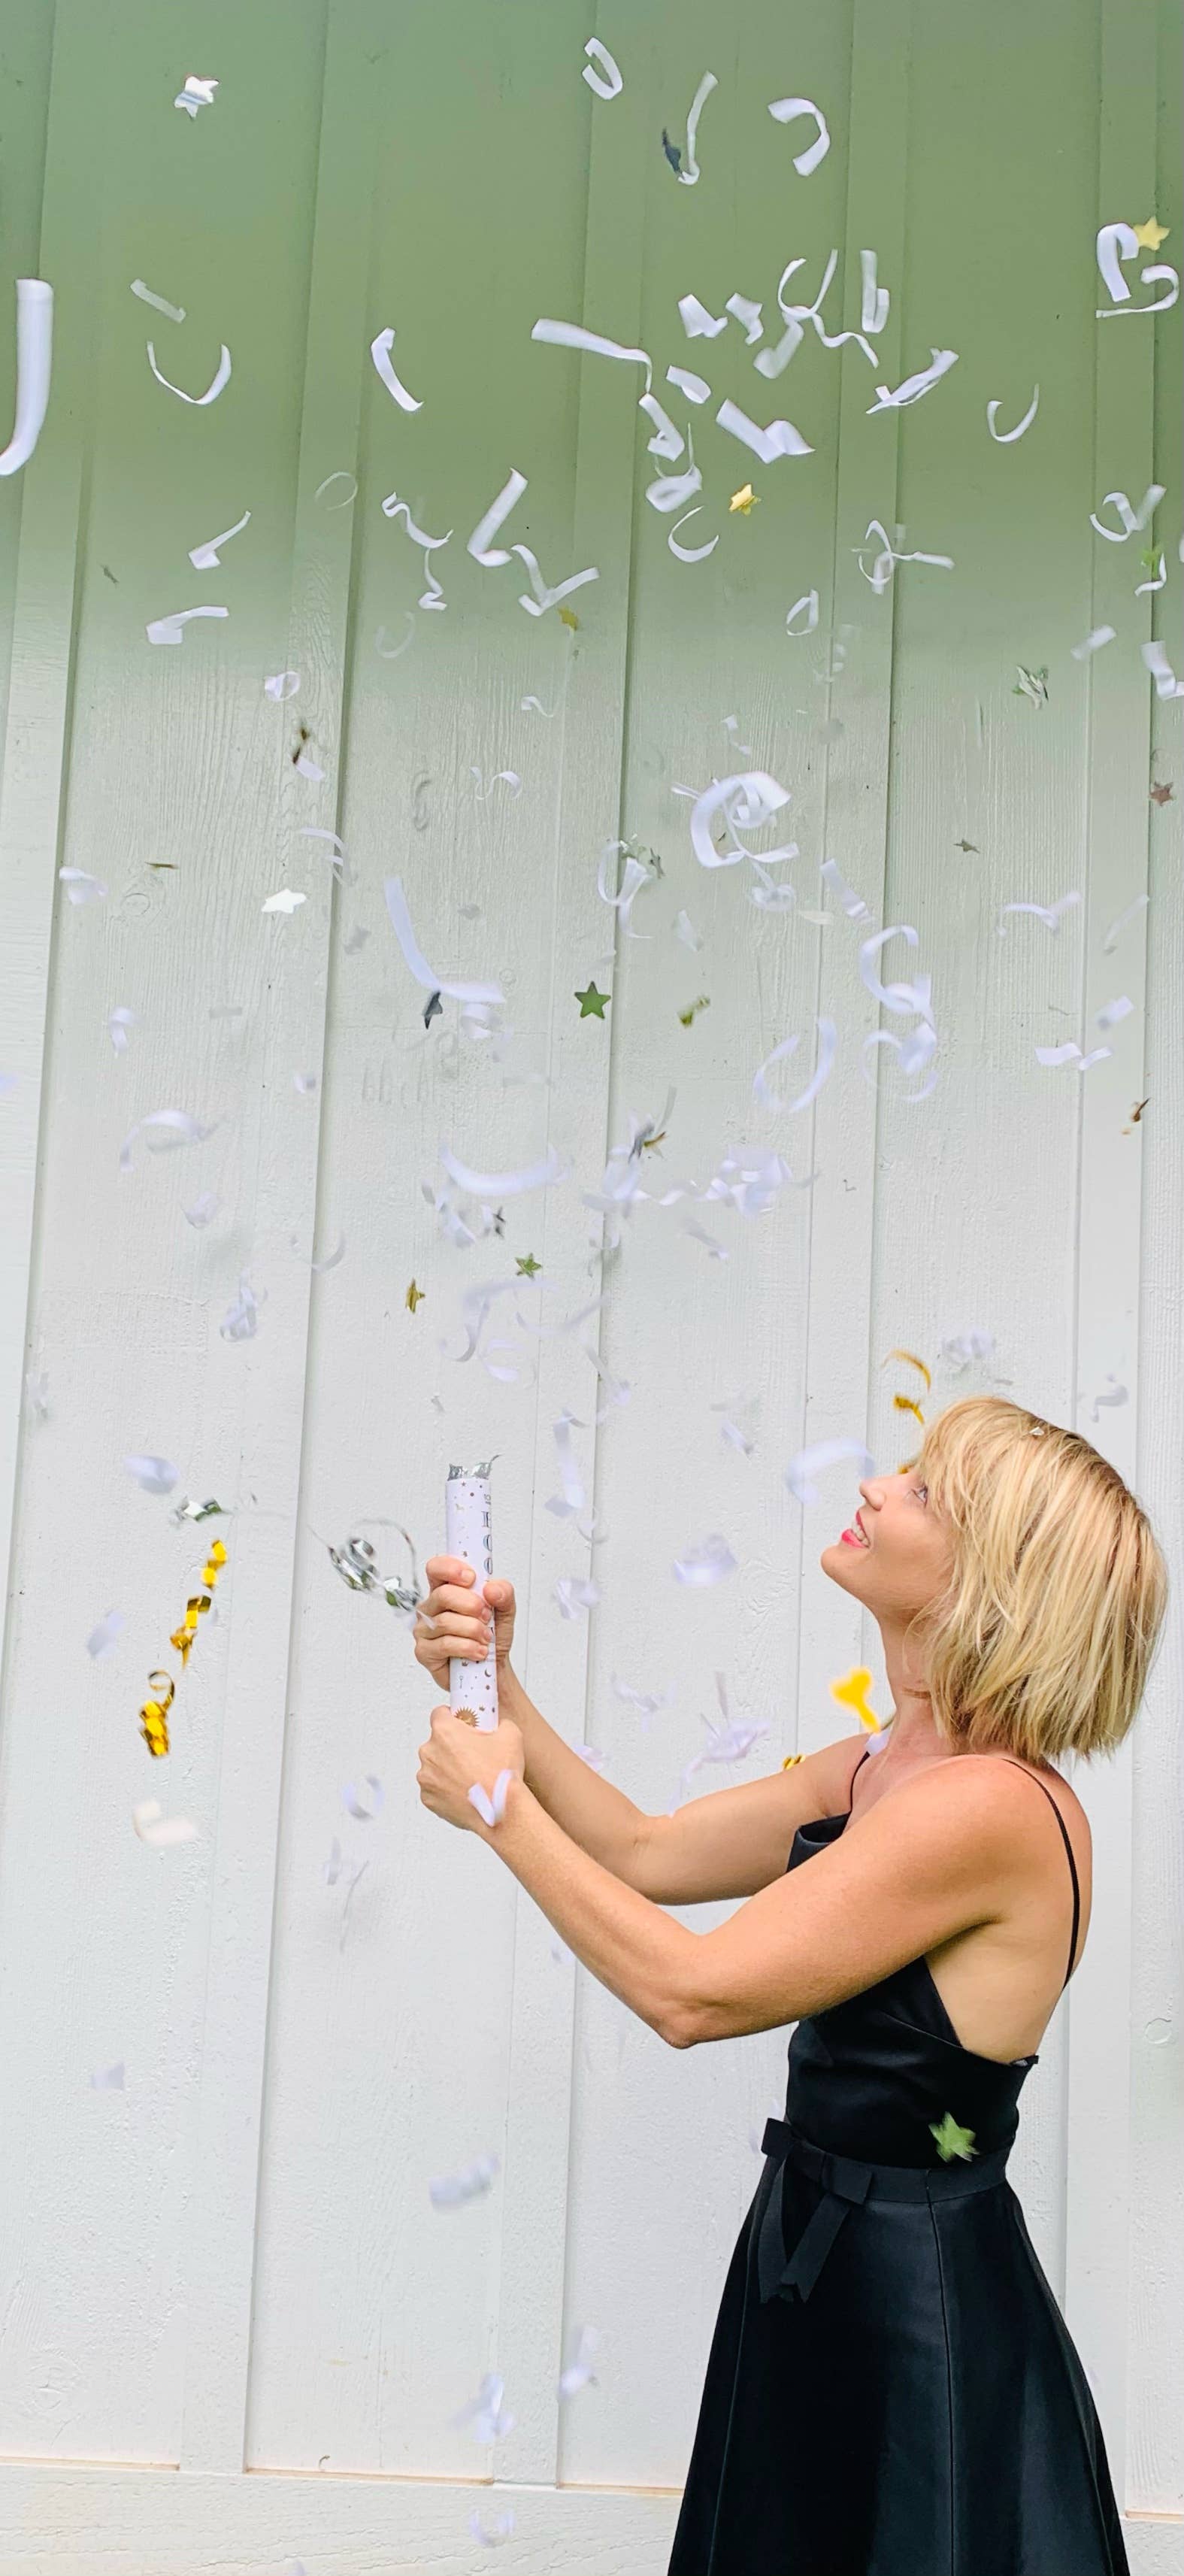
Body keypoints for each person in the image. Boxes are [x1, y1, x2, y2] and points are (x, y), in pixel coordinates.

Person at [413, 1396, 1167, 2575]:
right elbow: (648, 1850)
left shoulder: (990, 1804)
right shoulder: (883, 1762)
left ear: (996, 1584)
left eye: (924, 1492)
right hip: (810, 2267)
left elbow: (692, 1994)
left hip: (916, 2320)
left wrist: (498, 1806)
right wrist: (498, 1687)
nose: (877, 1488)